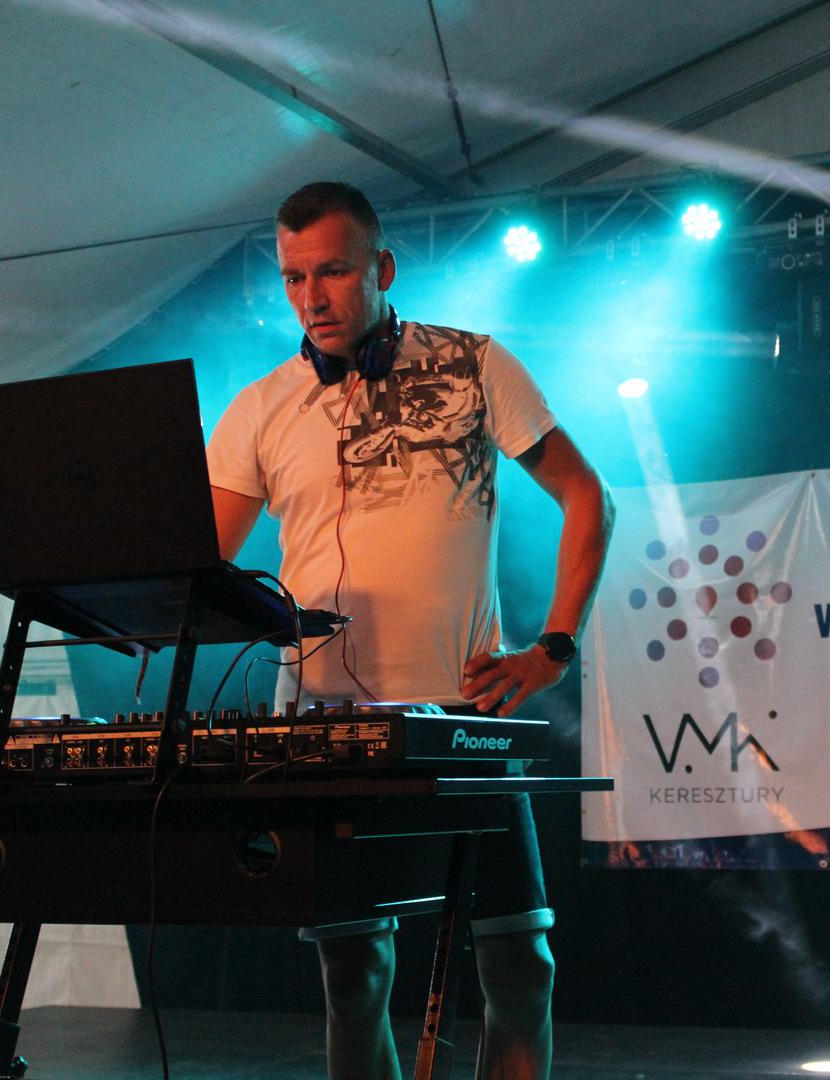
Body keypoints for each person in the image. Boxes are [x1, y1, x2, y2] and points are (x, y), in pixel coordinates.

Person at [205, 180, 613, 1079]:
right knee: (353, 976)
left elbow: (590, 495)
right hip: (326, 729)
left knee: (522, 966)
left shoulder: (473, 363)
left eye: (333, 272)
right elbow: (197, 570)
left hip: (460, 719)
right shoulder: (262, 407)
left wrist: (552, 649)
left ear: (382, 269)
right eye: (294, 278)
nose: (312, 297)